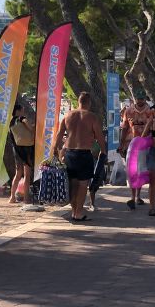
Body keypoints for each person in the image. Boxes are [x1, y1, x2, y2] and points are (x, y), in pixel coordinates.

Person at [53, 92, 106, 222]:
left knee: (72, 184)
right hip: (84, 154)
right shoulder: (92, 117)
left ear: (78, 101)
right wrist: (103, 151)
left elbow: (59, 135)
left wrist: (54, 149)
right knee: (83, 185)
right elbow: (99, 137)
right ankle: (78, 213)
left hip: (69, 153)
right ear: (89, 103)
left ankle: (73, 211)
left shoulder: (68, 115)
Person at [120, 91, 152, 208]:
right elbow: (124, 128)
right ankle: (133, 197)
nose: (140, 101)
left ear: (145, 99)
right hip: (130, 145)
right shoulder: (128, 111)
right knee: (131, 171)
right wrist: (121, 143)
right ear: (135, 99)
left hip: (144, 146)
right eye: (138, 99)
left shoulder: (150, 112)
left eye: (142, 99)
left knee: (141, 171)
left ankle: (138, 196)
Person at [8, 104, 36, 206]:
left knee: (18, 173)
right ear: (18, 111)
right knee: (27, 174)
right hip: (26, 149)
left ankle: (12, 197)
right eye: (22, 110)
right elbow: (26, 123)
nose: (23, 112)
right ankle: (26, 198)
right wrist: (33, 129)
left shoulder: (11, 122)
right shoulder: (21, 118)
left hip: (16, 149)